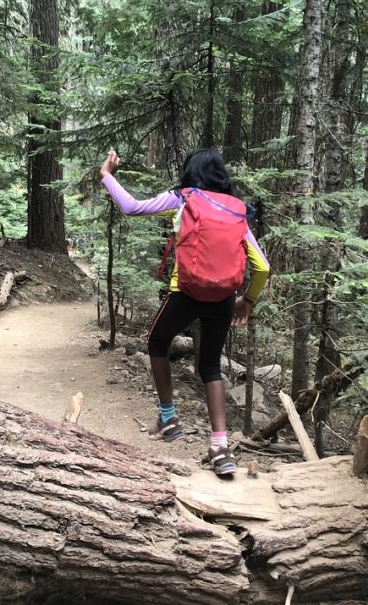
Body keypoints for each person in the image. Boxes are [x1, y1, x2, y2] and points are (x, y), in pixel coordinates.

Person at [99, 148, 270, 477]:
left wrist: (107, 176)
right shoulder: (235, 210)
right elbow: (262, 267)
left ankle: (168, 418)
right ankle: (221, 447)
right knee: (210, 367)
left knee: (157, 343)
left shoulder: (183, 198)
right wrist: (248, 301)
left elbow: (131, 207)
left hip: (186, 292)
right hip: (224, 297)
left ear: (190, 171)